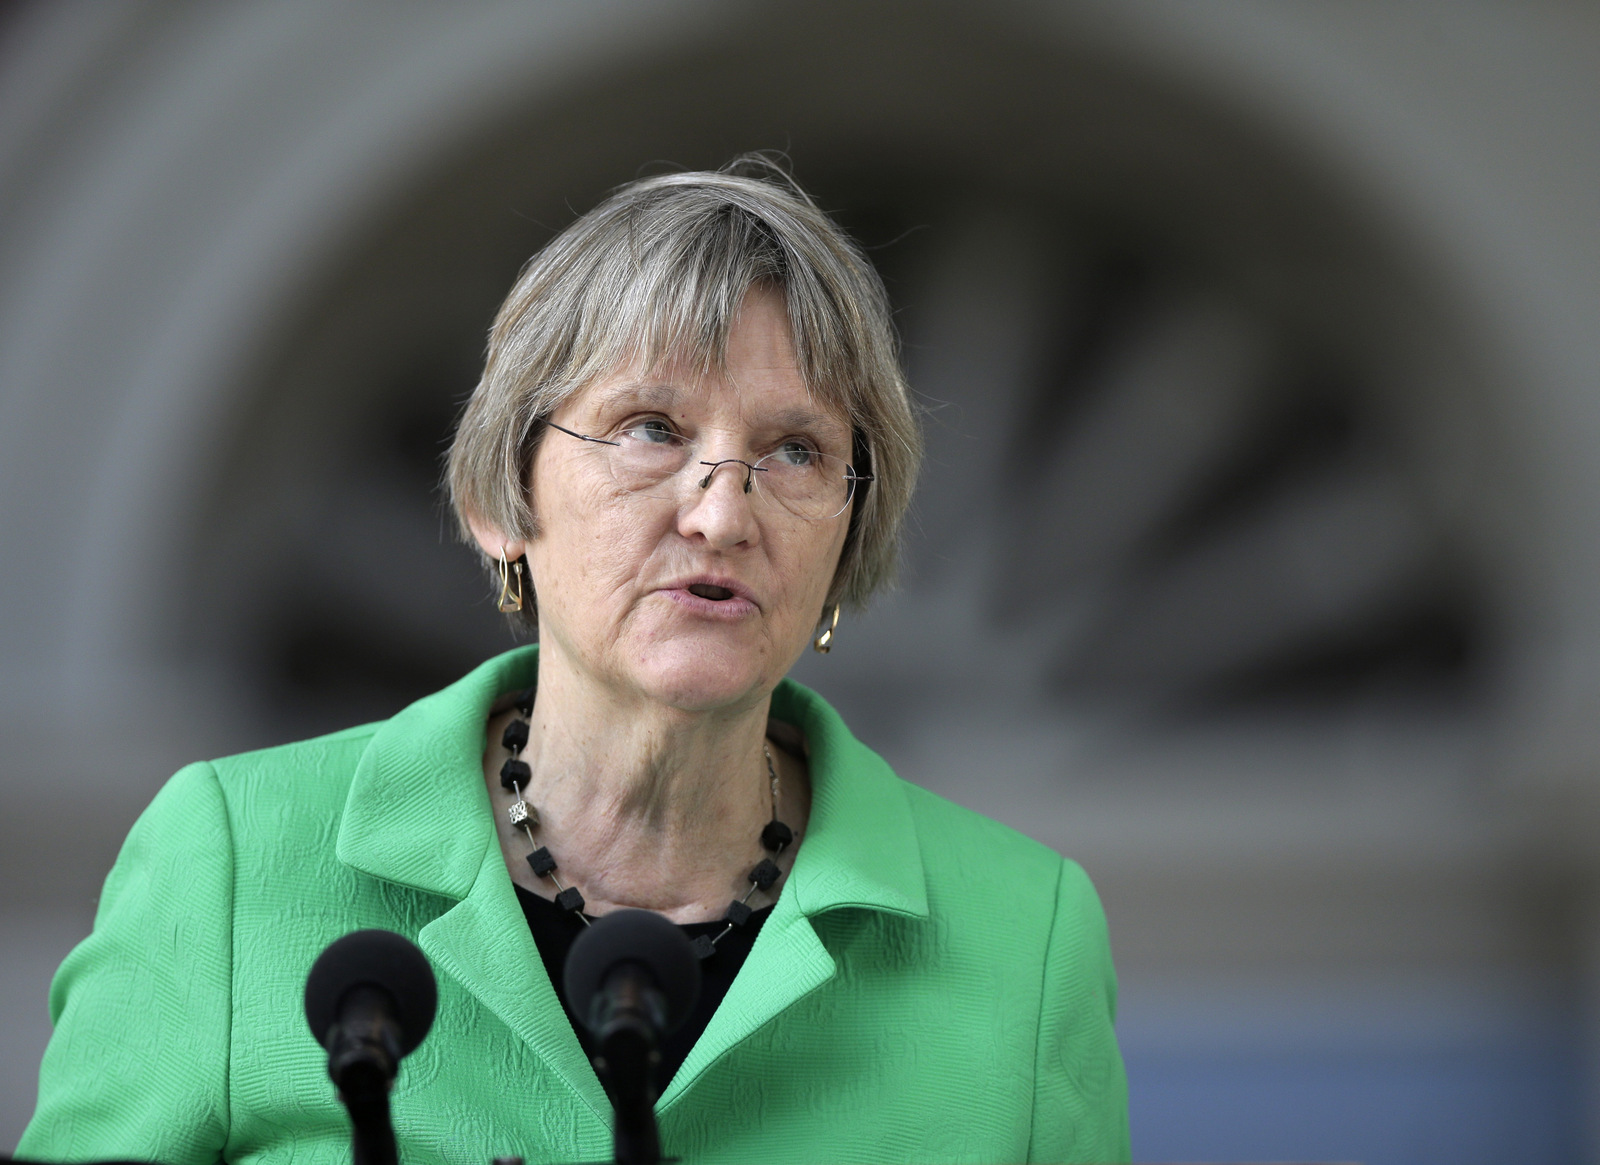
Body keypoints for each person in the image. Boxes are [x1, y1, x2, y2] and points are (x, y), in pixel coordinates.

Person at [19, 158, 1128, 1165]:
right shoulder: (231, 862)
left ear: (850, 535)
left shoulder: (1023, 938)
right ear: (498, 498)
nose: (720, 510)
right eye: (651, 426)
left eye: (796, 449)